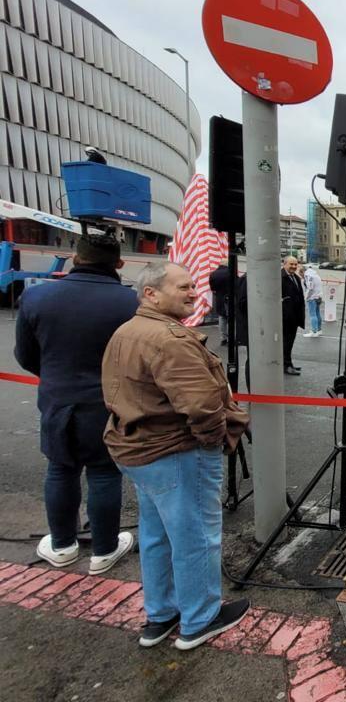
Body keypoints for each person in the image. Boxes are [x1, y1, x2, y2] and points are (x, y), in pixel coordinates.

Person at [102, 262, 251, 650]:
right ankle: (200, 618)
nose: (193, 292)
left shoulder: (126, 330)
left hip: (137, 452)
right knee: (196, 536)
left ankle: (161, 614)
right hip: (176, 451)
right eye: (182, 287)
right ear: (151, 293)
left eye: (192, 286)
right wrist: (212, 441)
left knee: (156, 536)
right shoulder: (170, 338)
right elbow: (202, 407)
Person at [14, 234, 138, 575]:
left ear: (74, 258)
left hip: (58, 398)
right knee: (104, 472)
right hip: (108, 402)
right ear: (119, 264)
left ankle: (63, 545)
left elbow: (26, 356)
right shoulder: (130, 303)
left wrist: (56, 376)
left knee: (60, 468)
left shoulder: (37, 297)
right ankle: (104, 549)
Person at [281, 256, 305, 375]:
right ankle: (286, 365)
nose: (294, 267)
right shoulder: (280, 277)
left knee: (289, 343)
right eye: (291, 264)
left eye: (296, 265)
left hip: (294, 318)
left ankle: (288, 363)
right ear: (284, 264)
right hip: (285, 318)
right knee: (286, 342)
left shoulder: (296, 277)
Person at [208, 260, 231, 345]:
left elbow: (212, 288)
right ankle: (230, 338)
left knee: (222, 317)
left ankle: (223, 338)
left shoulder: (213, 274)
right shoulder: (230, 272)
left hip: (219, 298)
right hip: (229, 298)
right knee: (230, 318)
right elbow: (236, 284)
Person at [303, 263, 324, 338]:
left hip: (312, 297)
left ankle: (314, 331)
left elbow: (310, 287)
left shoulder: (308, 275)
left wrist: (306, 297)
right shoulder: (316, 275)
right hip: (318, 296)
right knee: (317, 313)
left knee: (312, 314)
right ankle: (319, 330)